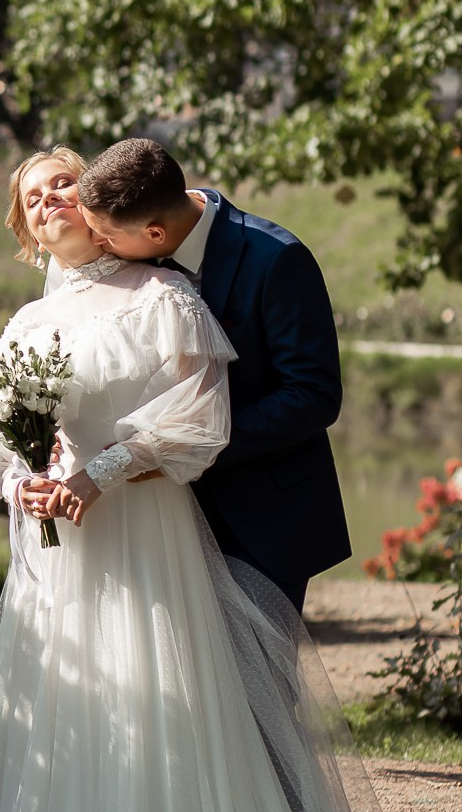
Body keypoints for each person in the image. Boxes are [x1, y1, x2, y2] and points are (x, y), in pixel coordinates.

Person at [0, 146, 462, 812]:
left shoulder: (228, 271)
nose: (58, 200)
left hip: (236, 514)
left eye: (66, 182)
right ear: (28, 227)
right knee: (96, 699)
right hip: (81, 539)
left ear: (120, 219)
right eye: (36, 194)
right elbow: (0, 440)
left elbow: (295, 398)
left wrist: (113, 470)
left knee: (235, 708)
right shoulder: (31, 322)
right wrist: (38, 479)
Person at [71, 137, 349, 614]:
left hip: (261, 515)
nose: (98, 245)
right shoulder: (134, 256)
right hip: (160, 520)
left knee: (259, 683)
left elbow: (312, 394)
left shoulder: (277, 260)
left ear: (155, 234)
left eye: (107, 236)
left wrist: (189, 445)